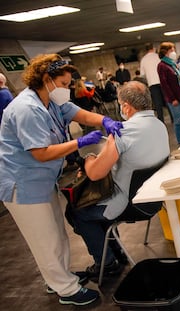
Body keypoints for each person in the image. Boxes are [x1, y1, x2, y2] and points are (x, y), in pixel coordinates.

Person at [0, 54, 123, 306]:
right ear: (47, 80)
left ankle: (58, 276)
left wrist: (105, 121)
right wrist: (79, 142)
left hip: (44, 180)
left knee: (57, 232)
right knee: (44, 238)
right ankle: (65, 290)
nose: (67, 89)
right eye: (65, 83)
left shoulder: (51, 101)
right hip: (22, 184)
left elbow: (80, 114)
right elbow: (41, 153)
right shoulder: (27, 109)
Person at [66, 81, 170, 279]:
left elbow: (95, 173)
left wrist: (87, 158)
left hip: (128, 204)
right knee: (97, 207)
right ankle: (115, 252)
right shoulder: (159, 124)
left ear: (126, 107)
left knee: (78, 211)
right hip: (154, 200)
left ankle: (107, 262)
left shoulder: (123, 132)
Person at [157, 42, 180, 145]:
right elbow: (164, 84)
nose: (173, 52)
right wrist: (172, 98)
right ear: (165, 52)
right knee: (178, 120)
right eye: (171, 50)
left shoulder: (173, 64)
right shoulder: (162, 65)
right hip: (173, 98)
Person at [140, 43, 167, 123]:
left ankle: (161, 120)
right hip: (162, 82)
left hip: (152, 83)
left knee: (158, 103)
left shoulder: (143, 59)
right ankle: (173, 117)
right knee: (167, 100)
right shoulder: (158, 56)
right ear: (153, 48)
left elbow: (142, 74)